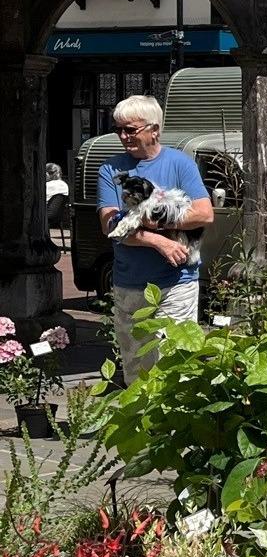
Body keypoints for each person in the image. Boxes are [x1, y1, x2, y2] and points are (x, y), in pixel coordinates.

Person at [96, 95, 214, 382]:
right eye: (119, 129)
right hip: (130, 282)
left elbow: (204, 214)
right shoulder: (110, 170)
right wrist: (158, 241)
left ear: (154, 129)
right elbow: (110, 224)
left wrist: (151, 220)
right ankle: (143, 427)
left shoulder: (180, 164)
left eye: (131, 130)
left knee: (175, 365)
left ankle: (173, 427)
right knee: (137, 369)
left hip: (177, 282)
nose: (124, 136)